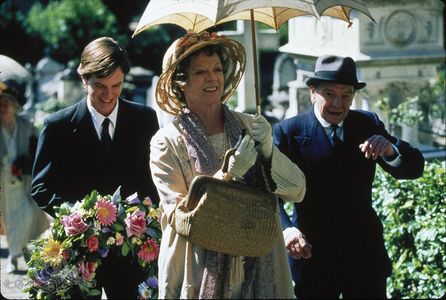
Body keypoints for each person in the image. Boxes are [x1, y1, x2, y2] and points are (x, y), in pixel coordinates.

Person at [149, 31, 307, 299]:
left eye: (218, 69)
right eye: (201, 72)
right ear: (181, 82)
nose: (213, 78)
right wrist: (228, 175)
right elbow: (180, 217)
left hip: (257, 258)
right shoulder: (167, 142)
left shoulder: (249, 127)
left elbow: (298, 189)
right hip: (197, 269)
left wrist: (268, 151)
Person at [273, 54, 425, 298]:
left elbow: (415, 167)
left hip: (364, 255)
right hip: (312, 256)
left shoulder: (367, 123)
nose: (338, 104)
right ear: (312, 91)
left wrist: (389, 150)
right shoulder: (288, 132)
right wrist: (288, 230)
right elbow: (268, 192)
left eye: (346, 95)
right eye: (329, 94)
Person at [31, 37, 160, 299]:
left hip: (130, 251)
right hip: (79, 251)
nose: (109, 95)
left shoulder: (144, 119)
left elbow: (153, 181)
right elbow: (40, 187)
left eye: (117, 85)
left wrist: (144, 220)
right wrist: (75, 218)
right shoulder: (58, 125)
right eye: (99, 86)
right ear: (83, 79)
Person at [0, 79, 51, 273]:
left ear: (14, 107)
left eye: (7, 105)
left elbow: (40, 146)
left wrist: (27, 162)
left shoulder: (25, 125)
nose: (3, 108)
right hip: (4, 181)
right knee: (9, 218)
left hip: (25, 178)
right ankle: (13, 256)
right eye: (0, 105)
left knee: (29, 213)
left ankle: (23, 247)